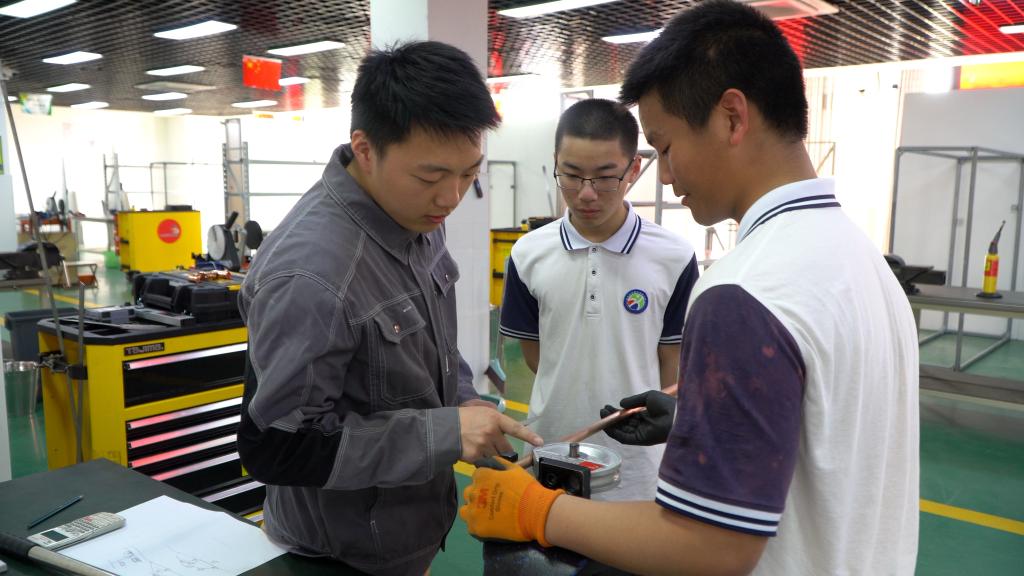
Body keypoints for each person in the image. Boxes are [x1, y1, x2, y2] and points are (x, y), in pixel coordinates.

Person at [460, 1, 920, 574]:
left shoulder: (745, 289)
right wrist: (696, 419)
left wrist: (534, 509)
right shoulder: (862, 262)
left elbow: (709, 547)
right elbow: (826, 439)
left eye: (666, 147)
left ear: (731, 117)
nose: (666, 174)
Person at [237, 41, 542, 576]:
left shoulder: (413, 217)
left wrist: (466, 405)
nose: (451, 197)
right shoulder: (311, 274)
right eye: (430, 177)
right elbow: (278, 447)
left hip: (408, 535)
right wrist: (446, 433)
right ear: (365, 149)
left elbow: (431, 348)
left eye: (469, 173)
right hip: (337, 555)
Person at [499, 98, 698, 501]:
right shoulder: (528, 253)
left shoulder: (673, 257)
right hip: (550, 449)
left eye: (606, 177)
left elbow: (672, 365)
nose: (587, 194)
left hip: (638, 466)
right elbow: (536, 356)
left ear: (633, 169)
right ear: (556, 163)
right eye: (571, 176)